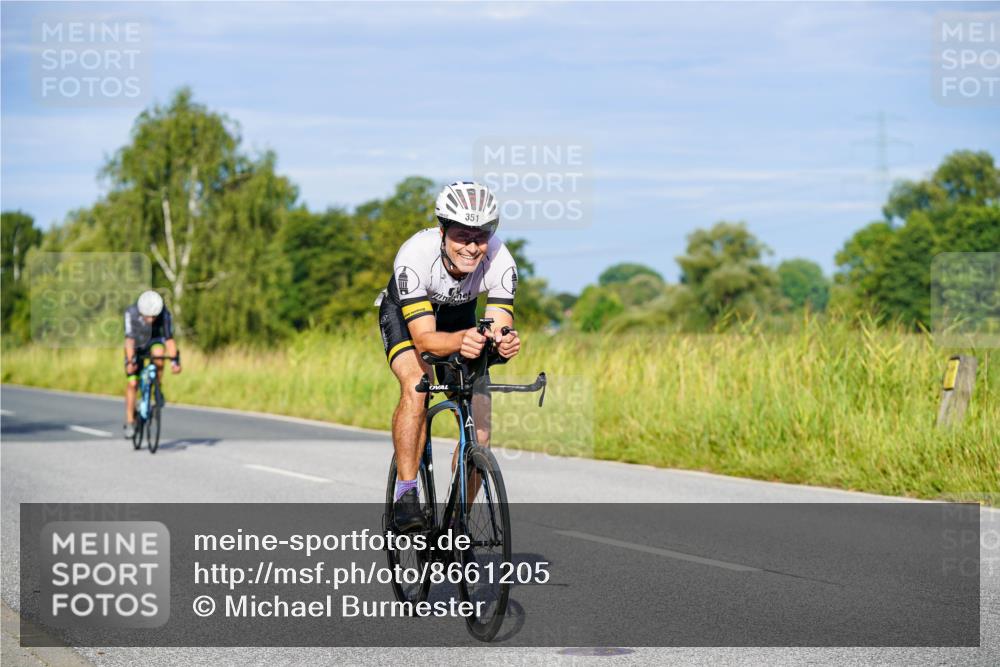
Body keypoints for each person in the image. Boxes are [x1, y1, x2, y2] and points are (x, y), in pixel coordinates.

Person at [377, 181, 521, 531]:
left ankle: (458, 520)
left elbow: (499, 324)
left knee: (480, 430)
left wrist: (502, 343)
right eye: (462, 236)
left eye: (480, 236)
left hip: (460, 318)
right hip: (408, 318)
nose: (472, 247)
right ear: (442, 231)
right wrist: (461, 341)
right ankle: (406, 495)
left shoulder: (501, 260)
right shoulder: (414, 256)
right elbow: (425, 342)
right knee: (417, 385)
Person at [123, 290, 181, 438]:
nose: (151, 319)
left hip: (154, 341)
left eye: (154, 316)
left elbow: (169, 339)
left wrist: (175, 362)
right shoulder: (131, 313)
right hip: (136, 345)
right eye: (148, 316)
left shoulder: (164, 313)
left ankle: (157, 388)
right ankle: (130, 421)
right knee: (133, 383)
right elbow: (129, 340)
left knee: (159, 354)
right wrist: (130, 361)